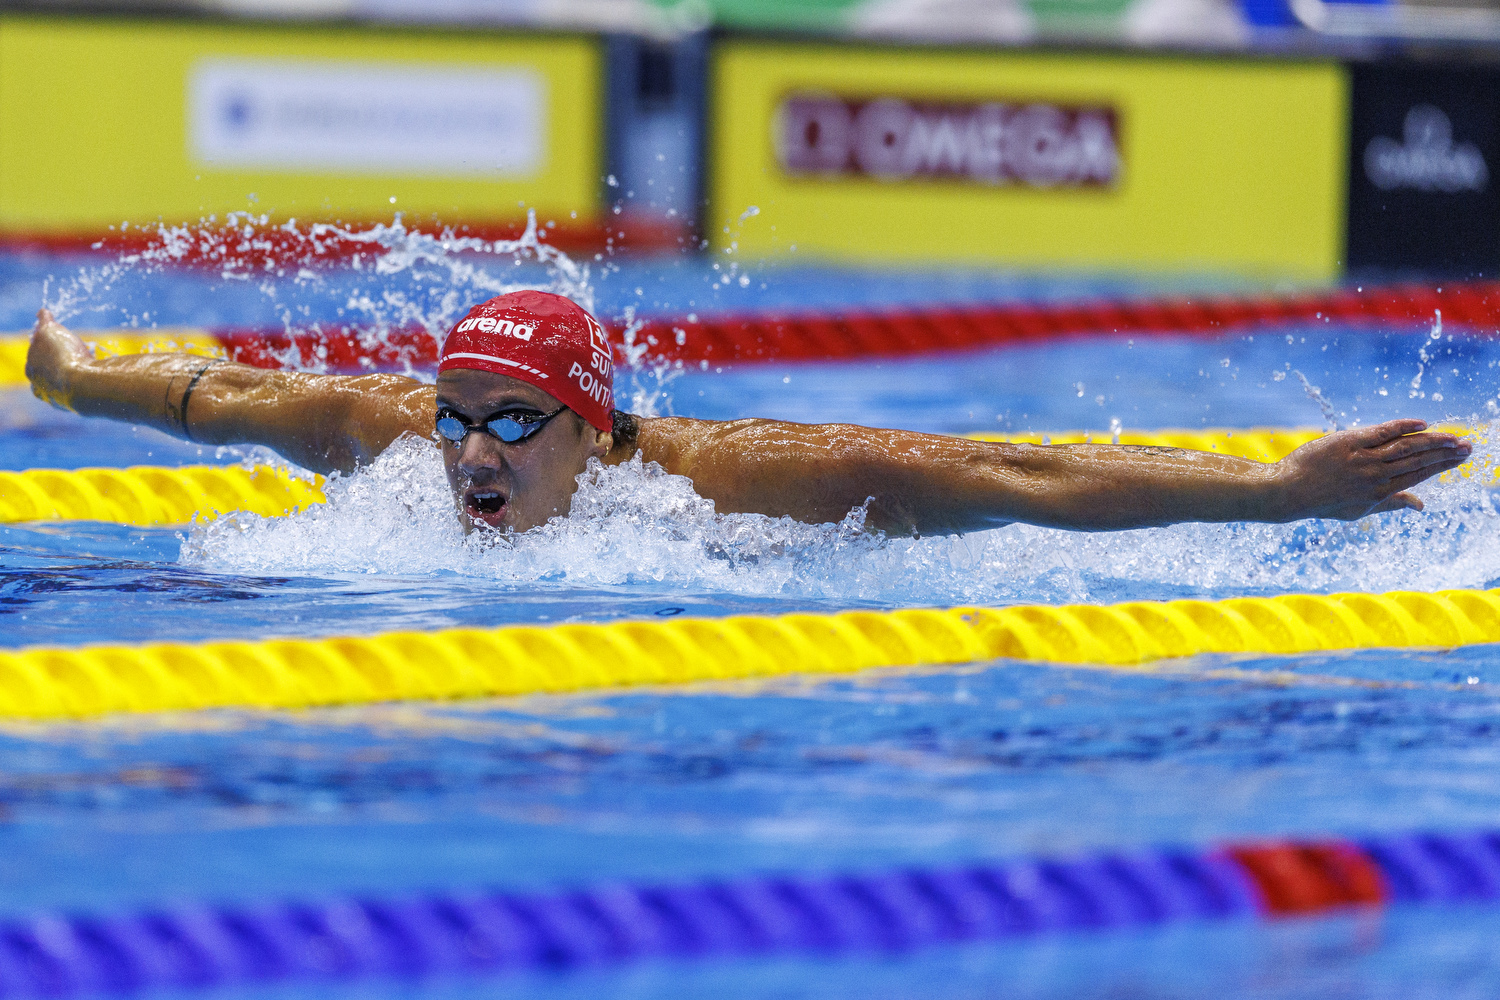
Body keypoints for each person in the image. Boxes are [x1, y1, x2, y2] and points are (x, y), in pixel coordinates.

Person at [25, 291, 1471, 537]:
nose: (466, 451)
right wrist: (70, 380)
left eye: (511, 422)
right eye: (456, 415)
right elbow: (223, 399)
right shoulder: (392, 434)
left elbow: (1011, 472)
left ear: (592, 427)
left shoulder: (732, 483)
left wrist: (1281, 491)